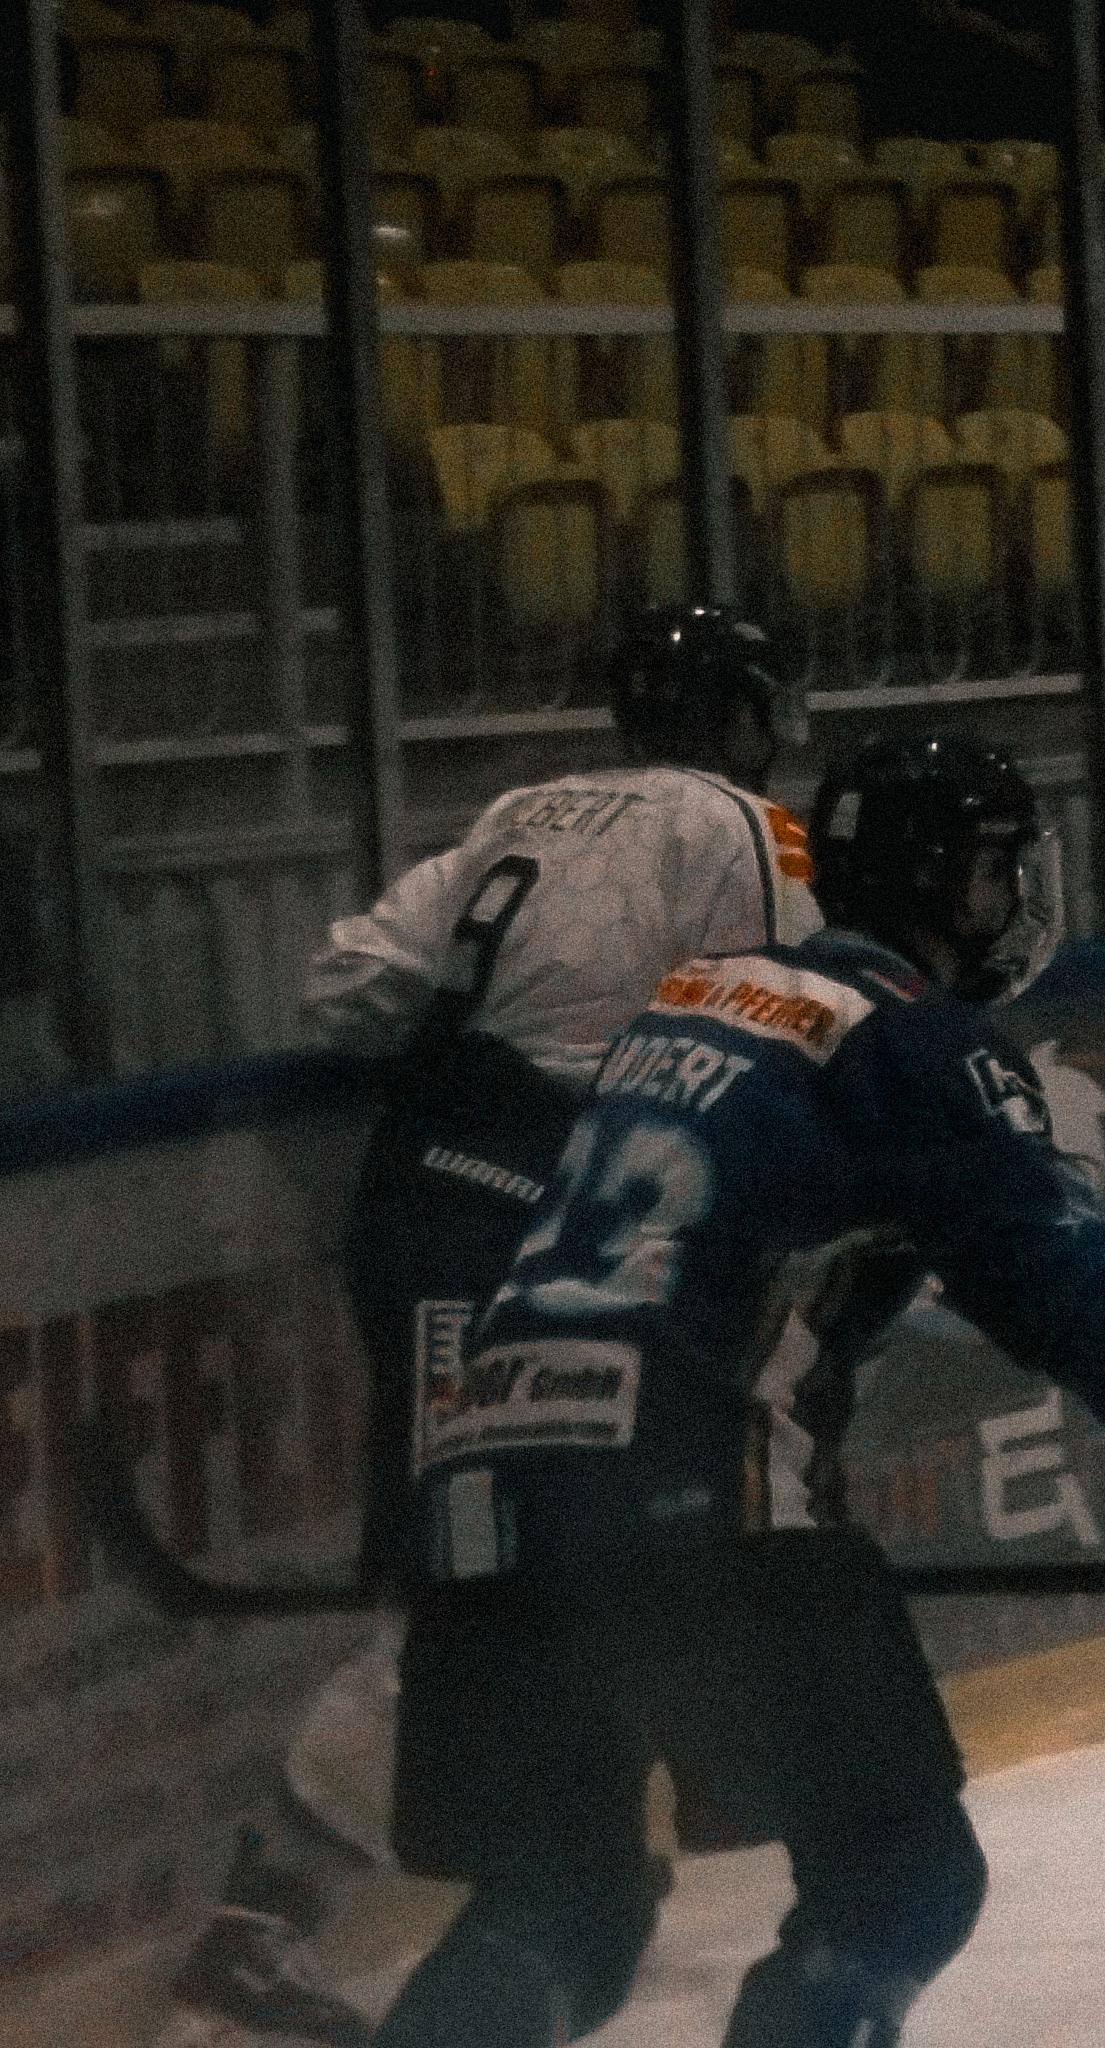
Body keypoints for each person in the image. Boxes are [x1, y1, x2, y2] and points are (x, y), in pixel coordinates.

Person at [373, 730, 1105, 2048]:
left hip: (484, 1480)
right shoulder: (897, 1036)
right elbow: (1062, 1271)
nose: (1012, 903)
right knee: (899, 1877)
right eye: (998, 872)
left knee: (561, 1910)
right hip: (683, 1483)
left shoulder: (694, 996)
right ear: (944, 884)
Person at [168, 604, 822, 2043]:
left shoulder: (522, 810)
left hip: (433, 1209)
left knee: (520, 1566)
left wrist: (514, 1032)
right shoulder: (737, 826)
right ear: (740, 715)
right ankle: (253, 1934)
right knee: (481, 1589)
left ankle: (554, 1832)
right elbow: (789, 1017)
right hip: (535, 1239)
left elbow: (347, 984)